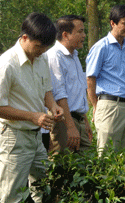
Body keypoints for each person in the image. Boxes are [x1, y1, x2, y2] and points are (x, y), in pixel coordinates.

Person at [0, 12, 64, 203]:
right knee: (11, 196)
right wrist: (33, 117)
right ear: (24, 38)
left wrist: (53, 106)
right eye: (38, 46)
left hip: (35, 136)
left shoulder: (42, 58)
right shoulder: (5, 65)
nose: (42, 51)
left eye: (46, 47)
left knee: (42, 187)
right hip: (13, 136)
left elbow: (46, 90)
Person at [86, 5, 125, 155]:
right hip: (108, 105)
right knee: (107, 155)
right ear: (112, 23)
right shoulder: (101, 47)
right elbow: (90, 78)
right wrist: (96, 106)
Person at [47, 15, 93, 154]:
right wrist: (70, 126)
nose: (84, 35)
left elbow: (79, 91)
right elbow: (59, 95)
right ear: (65, 35)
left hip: (77, 119)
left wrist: (85, 120)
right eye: (80, 32)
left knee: (86, 164)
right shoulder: (55, 56)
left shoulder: (75, 56)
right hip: (64, 121)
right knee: (62, 165)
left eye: (84, 31)